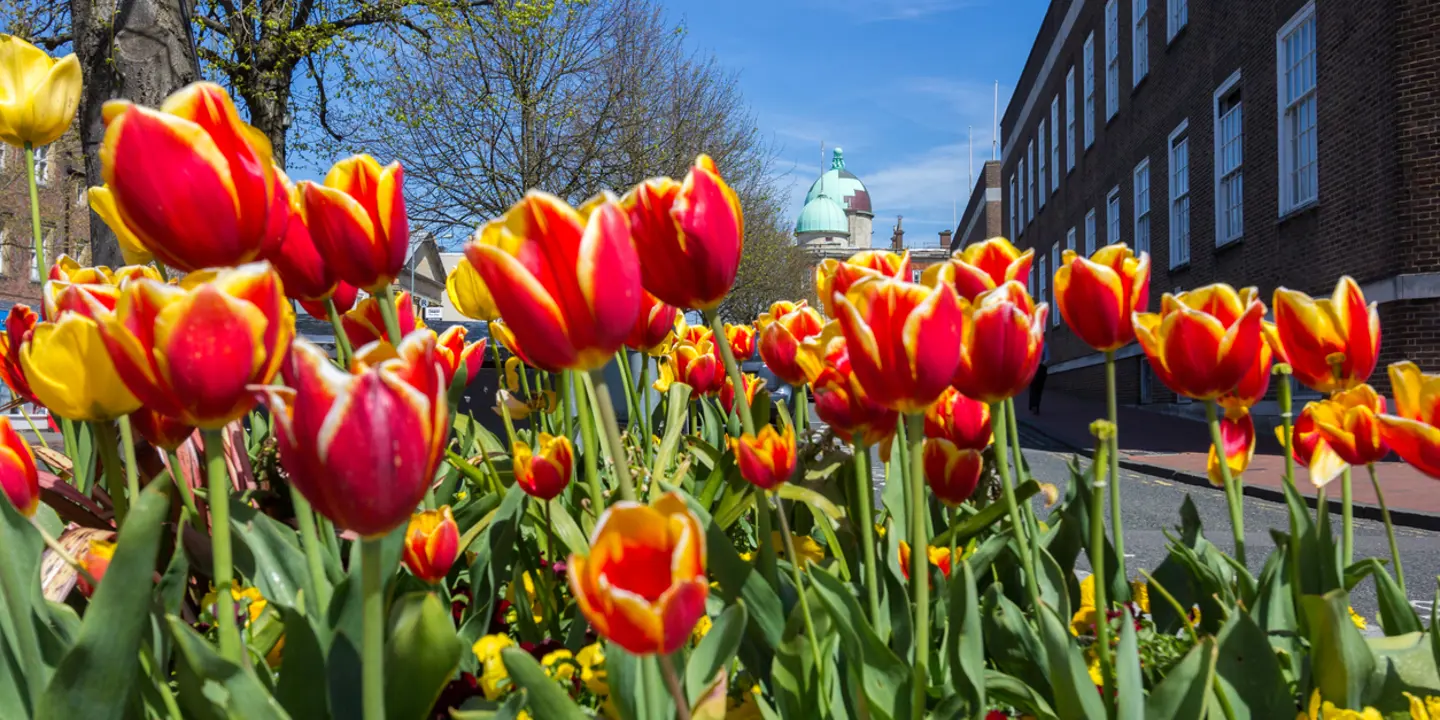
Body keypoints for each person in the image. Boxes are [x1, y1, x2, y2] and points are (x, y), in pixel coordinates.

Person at [1028, 345, 1049, 414]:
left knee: (1033, 388)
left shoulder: (1033, 343)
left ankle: (1033, 405)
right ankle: (1036, 405)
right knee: (1038, 389)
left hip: (1034, 368)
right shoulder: (1045, 345)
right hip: (1041, 368)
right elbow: (1047, 359)